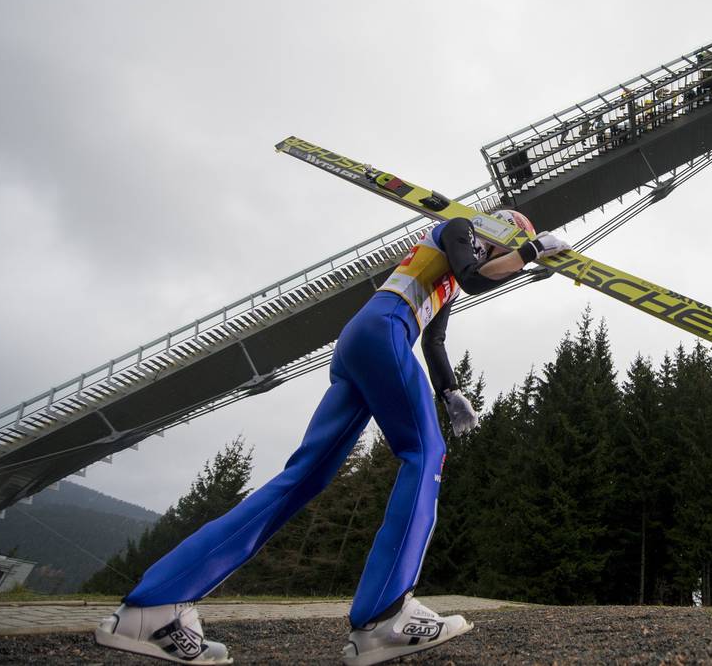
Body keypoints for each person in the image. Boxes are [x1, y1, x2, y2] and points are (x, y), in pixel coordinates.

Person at [94, 209, 569, 665]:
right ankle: (384, 617)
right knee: (426, 454)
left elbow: (435, 339)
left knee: (305, 476)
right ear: (500, 232)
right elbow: (475, 276)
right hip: (383, 331)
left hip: (367, 340)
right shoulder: (459, 229)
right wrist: (531, 250)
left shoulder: (448, 272)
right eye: (504, 249)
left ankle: (152, 609)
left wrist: (451, 392)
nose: (498, 261)